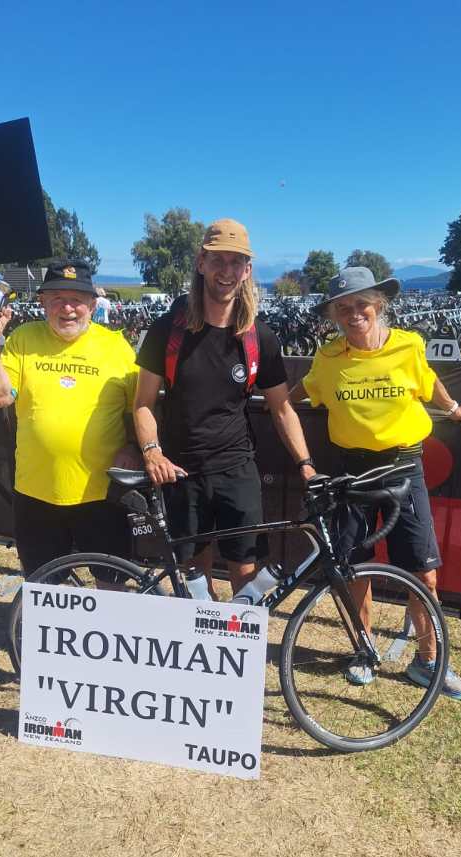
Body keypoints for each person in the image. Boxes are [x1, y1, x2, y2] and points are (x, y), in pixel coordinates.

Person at [290, 266, 461, 700]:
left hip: (403, 469)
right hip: (352, 472)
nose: (354, 314)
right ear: (333, 315)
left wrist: (452, 409)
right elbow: (300, 392)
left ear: (379, 304)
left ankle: (428, 662)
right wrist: (269, 400)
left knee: (424, 572)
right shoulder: (328, 358)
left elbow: (427, 381)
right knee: (354, 567)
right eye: (342, 308)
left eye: (362, 304)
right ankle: (365, 650)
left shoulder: (408, 345)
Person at [133, 218, 316, 596]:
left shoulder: (259, 337)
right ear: (201, 263)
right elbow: (142, 404)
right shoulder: (167, 330)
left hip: (237, 470)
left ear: (248, 270)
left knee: (246, 577)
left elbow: (282, 409)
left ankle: (238, 635)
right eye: (218, 260)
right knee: (194, 580)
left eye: (236, 262)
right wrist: (151, 452)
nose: (226, 271)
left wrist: (306, 464)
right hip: (182, 473)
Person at [0, 258, 140, 577]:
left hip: (103, 493)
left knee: (113, 583)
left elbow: (140, 408)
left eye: (76, 299)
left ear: (93, 305)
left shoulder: (117, 347)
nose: (67, 308)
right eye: (57, 299)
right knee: (44, 586)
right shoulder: (24, 339)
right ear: (43, 303)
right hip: (36, 493)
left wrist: (133, 446)